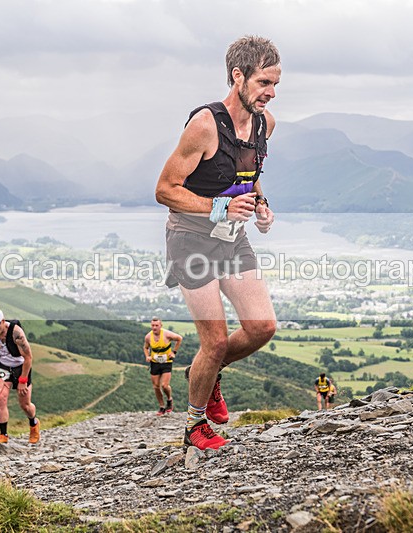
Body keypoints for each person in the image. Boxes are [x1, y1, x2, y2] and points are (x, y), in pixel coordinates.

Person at [155, 35, 280, 450]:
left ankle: (206, 373)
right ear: (237, 76)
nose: (271, 93)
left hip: (232, 238)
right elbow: (165, 189)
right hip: (190, 239)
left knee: (262, 327)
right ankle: (194, 427)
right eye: (264, 82)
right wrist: (217, 210)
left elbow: (248, 173)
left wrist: (261, 205)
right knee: (216, 341)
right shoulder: (205, 125)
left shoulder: (266, 124)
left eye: (275, 84)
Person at [0, 307, 40, 446]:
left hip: (21, 367)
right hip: (3, 366)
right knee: (1, 396)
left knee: (25, 405)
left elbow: (28, 358)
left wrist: (23, 380)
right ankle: (3, 435)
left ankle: (34, 424)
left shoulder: (16, 332)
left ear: (2, 321)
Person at [143, 317, 183, 415]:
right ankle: (161, 407)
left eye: (156, 325)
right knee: (156, 386)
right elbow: (145, 347)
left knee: (164, 385)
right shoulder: (148, 336)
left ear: (161, 326)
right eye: (153, 325)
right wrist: (147, 356)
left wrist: (174, 352)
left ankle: (169, 399)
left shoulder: (166, 334)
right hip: (155, 362)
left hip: (166, 362)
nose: (154, 327)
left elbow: (179, 339)